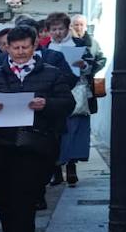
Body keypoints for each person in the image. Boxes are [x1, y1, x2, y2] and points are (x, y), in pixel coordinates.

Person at [0, 25, 75, 232]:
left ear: (34, 46)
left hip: (36, 143)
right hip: (0, 144)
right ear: (7, 48)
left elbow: (67, 103)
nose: (20, 52)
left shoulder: (51, 73)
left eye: (25, 47)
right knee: (4, 193)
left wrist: (46, 104)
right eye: (15, 47)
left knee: (26, 194)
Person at [43, 12, 100, 187]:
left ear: (67, 28)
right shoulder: (45, 48)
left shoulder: (80, 44)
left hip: (75, 92)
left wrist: (84, 66)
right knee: (54, 132)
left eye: (60, 28)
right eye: (54, 29)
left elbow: (93, 64)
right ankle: (56, 170)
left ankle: (71, 166)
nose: (58, 32)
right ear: (49, 31)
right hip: (53, 95)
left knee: (73, 130)